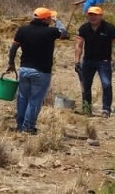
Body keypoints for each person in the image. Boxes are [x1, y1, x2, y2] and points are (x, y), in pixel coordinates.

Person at [6, 7, 69, 135]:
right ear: (45, 19)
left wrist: (11, 63)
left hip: (24, 69)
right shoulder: (50, 32)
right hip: (41, 72)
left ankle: (20, 125)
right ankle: (28, 127)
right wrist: (57, 21)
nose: (50, 20)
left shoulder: (22, 30)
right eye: (49, 18)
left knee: (22, 98)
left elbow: (13, 48)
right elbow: (63, 32)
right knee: (35, 100)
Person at [75, 6, 115, 118]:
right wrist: (76, 61)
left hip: (104, 62)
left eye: (95, 15)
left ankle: (106, 110)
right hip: (88, 61)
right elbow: (79, 45)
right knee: (86, 85)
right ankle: (87, 109)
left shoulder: (109, 28)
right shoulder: (84, 28)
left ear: (101, 16)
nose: (93, 17)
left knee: (106, 85)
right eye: (90, 15)